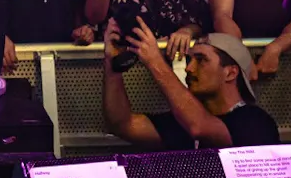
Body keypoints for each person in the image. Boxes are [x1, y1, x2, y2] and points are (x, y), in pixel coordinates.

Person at [101, 19, 280, 149]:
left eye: (201, 60)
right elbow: (122, 124)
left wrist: (154, 60)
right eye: (189, 60)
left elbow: (200, 127)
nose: (189, 69)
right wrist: (112, 63)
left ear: (230, 73)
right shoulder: (182, 121)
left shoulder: (256, 122)